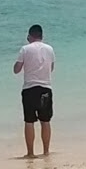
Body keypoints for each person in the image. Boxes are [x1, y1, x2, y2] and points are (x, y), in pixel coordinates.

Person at [13, 24, 55, 158]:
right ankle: (46, 151)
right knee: (45, 121)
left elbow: (16, 69)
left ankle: (30, 153)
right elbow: (51, 68)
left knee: (29, 121)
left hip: (30, 89)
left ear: (30, 36)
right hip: (45, 88)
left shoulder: (25, 49)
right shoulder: (50, 49)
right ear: (42, 36)